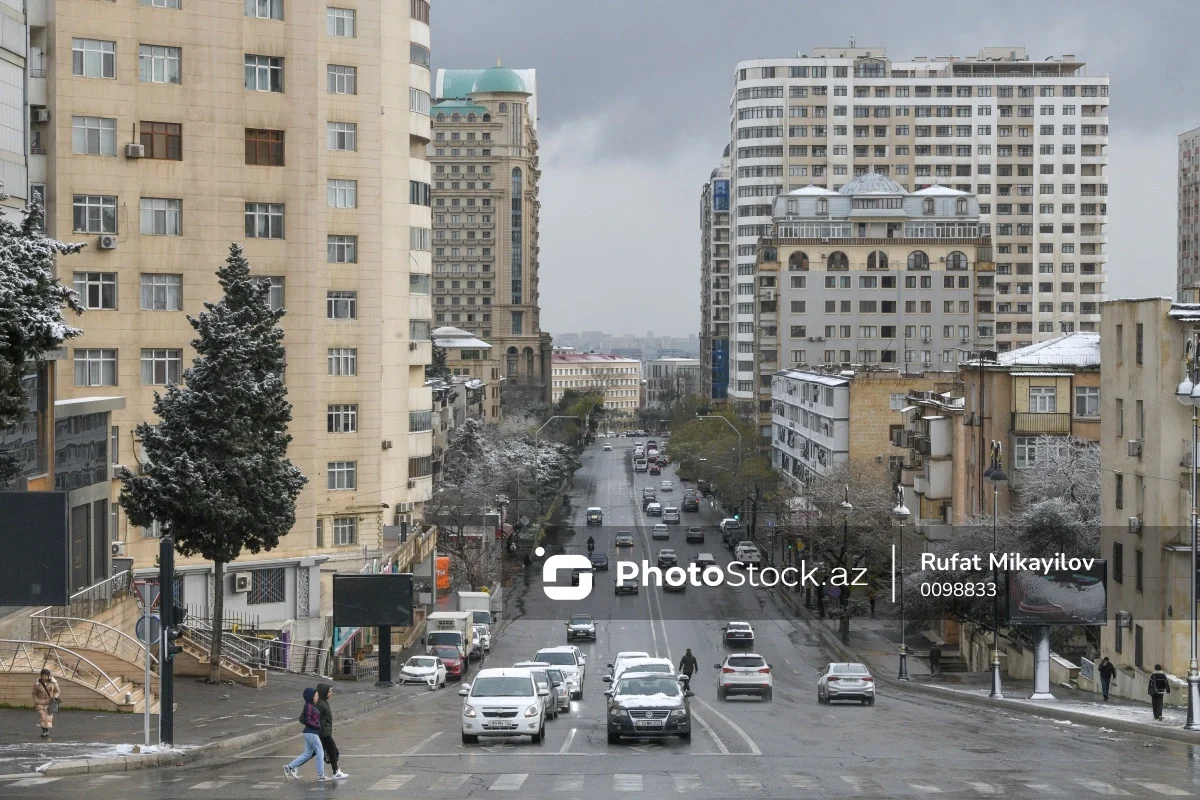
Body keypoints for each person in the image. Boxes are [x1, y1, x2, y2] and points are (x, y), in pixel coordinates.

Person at [284, 688, 327, 781]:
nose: (317, 697)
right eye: (316, 696)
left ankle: (289, 767)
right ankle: (321, 775)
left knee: (308, 754)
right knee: (320, 752)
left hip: (310, 732)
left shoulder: (310, 705)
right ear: (311, 697)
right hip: (311, 732)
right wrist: (317, 726)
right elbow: (307, 720)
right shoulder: (309, 706)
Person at [315, 683, 349, 780]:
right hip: (323, 733)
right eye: (329, 691)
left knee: (313, 753)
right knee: (333, 750)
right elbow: (318, 719)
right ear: (323, 692)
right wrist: (322, 730)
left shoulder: (323, 702)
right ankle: (335, 771)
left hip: (325, 732)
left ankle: (292, 767)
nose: (331, 693)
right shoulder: (320, 704)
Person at [33, 668, 60, 739]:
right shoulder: (37, 684)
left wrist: (54, 697)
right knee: (42, 716)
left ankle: (47, 730)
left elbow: (57, 691)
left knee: (48, 717)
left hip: (50, 702)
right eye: (42, 676)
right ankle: (44, 731)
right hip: (40, 702)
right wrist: (35, 700)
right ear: (41, 676)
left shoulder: (53, 683)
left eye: (45, 676)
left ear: (48, 676)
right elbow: (34, 693)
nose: (44, 677)